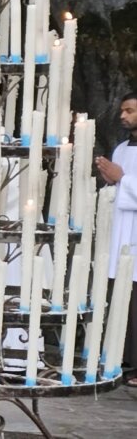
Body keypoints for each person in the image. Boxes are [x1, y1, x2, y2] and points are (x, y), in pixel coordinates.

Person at [95, 92, 137, 384]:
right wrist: (109, 180)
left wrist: (121, 178)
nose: (123, 116)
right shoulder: (122, 147)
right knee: (121, 296)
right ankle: (119, 359)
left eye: (130, 111)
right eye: (122, 110)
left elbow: (126, 180)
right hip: (120, 230)